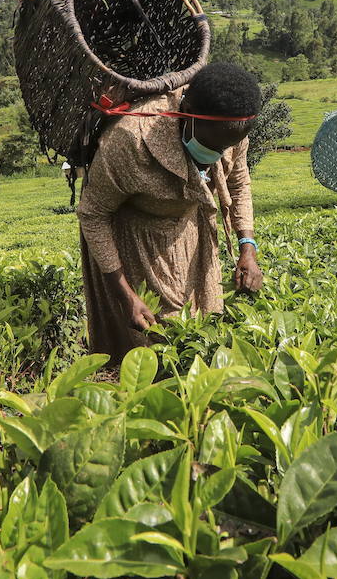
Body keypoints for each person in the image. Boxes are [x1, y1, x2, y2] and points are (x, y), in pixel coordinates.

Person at [76, 62, 264, 360]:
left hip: (190, 229)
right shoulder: (130, 140)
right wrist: (126, 295)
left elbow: (239, 183)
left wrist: (248, 247)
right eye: (208, 146)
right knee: (146, 344)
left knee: (196, 336)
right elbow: (93, 214)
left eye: (222, 149)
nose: (211, 159)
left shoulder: (232, 129)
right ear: (185, 111)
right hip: (132, 242)